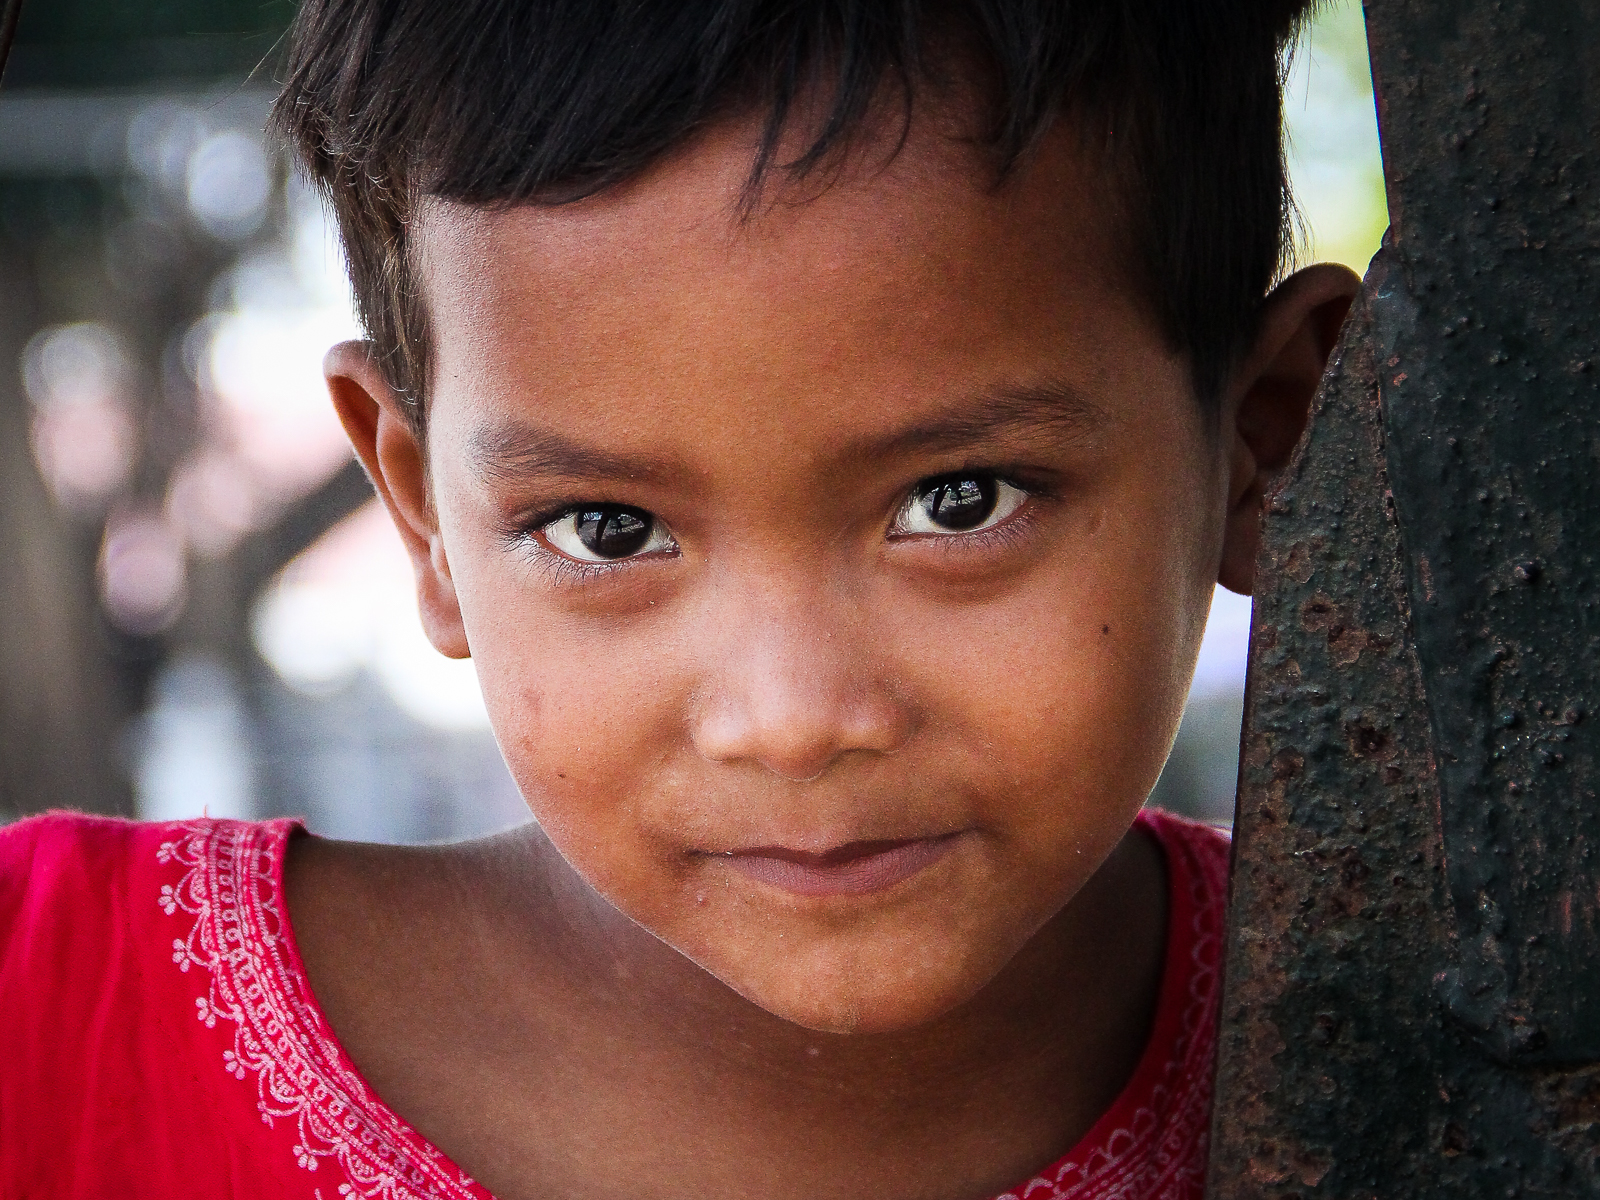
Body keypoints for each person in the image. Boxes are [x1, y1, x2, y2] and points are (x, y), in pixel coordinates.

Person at [0, 1, 1360, 1196]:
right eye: (605, 528)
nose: (792, 720)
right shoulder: (50, 1011)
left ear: (1265, 443)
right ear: (423, 518)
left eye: (960, 502)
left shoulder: (1458, 1044)